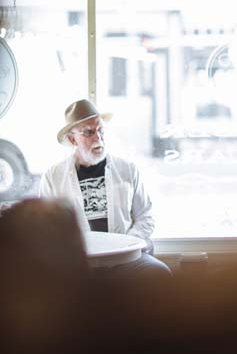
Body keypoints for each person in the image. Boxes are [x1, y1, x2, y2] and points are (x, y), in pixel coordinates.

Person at [39, 98, 170, 277]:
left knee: (159, 273)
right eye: (88, 132)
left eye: (100, 130)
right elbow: (46, 228)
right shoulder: (53, 177)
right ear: (72, 139)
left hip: (125, 259)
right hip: (78, 264)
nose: (98, 137)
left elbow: (145, 216)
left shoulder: (127, 169)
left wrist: (128, 244)